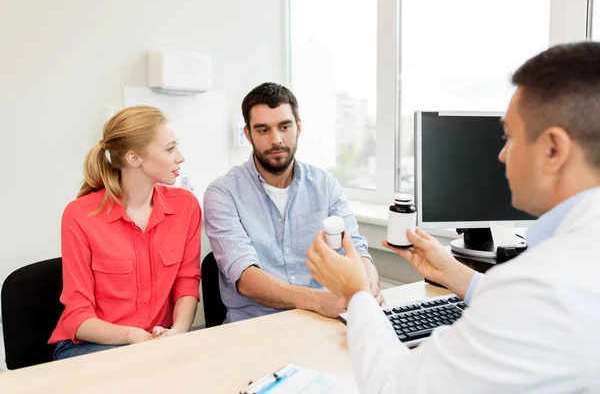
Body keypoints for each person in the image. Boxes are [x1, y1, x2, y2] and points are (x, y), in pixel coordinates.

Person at [306, 41, 600, 393]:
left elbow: (396, 387)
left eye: (508, 137)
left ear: (553, 149)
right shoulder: (576, 259)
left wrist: (356, 295)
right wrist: (456, 274)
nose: (502, 155)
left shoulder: (544, 283)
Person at [203, 82, 382, 323]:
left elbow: (356, 249)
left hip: (323, 322)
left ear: (298, 127)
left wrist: (368, 285)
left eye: (284, 127)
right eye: (263, 130)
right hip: (256, 328)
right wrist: (319, 301)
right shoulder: (223, 193)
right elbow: (246, 280)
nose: (276, 140)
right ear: (248, 134)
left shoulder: (325, 185)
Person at [48, 106, 201, 360]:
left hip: (157, 343)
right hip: (88, 347)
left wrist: (177, 332)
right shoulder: (80, 215)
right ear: (134, 159)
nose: (180, 157)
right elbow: (78, 317)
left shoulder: (186, 206)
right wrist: (133, 337)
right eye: (170, 148)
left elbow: (187, 281)